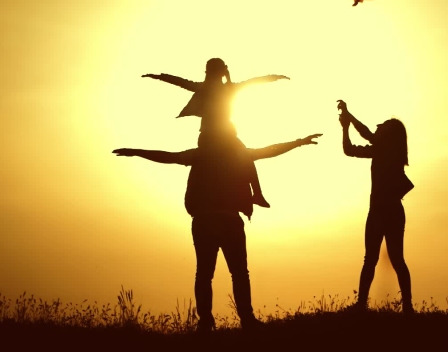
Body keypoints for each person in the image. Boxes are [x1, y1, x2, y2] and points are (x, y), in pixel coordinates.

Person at [112, 132, 322, 332]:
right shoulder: (237, 155)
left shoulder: (199, 155)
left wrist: (136, 151)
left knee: (205, 274)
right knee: (238, 274)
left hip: (204, 222)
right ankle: (245, 320)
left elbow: (168, 157)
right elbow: (268, 151)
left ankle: (207, 323)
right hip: (228, 220)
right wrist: (298, 142)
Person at [142, 58, 289, 208]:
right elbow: (179, 81)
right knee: (245, 156)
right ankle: (257, 194)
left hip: (219, 135)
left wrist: (273, 77)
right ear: (221, 72)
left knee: (245, 155)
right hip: (214, 136)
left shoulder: (214, 88)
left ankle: (257, 195)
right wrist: (158, 76)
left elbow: (253, 82)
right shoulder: (216, 88)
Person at [337, 100, 415, 314]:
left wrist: (349, 119)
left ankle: (365, 305)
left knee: (375, 259)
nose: (378, 126)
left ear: (389, 136)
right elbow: (349, 149)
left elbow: (364, 136)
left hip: (382, 211)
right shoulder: (386, 151)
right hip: (388, 211)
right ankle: (404, 306)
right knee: (392, 260)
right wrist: (346, 126)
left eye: (383, 126)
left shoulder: (386, 150)